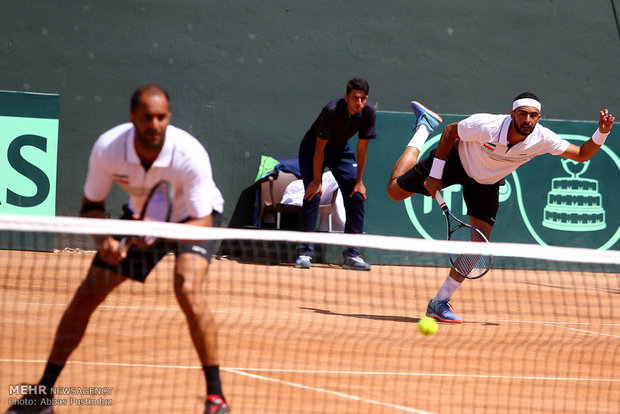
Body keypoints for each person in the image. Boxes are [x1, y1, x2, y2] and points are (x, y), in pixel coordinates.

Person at [6, 85, 230, 414]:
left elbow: (204, 222)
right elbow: (92, 204)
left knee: (187, 288)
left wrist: (156, 232)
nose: (154, 124)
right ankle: (42, 394)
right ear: (132, 118)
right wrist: (105, 241)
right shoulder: (109, 148)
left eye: (161, 117)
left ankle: (216, 398)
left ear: (168, 117)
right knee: (88, 293)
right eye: (147, 117)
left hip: (192, 217)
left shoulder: (189, 154)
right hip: (142, 217)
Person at [387, 93, 615, 323]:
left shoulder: (543, 138)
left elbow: (581, 154)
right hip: (456, 162)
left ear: (538, 118)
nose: (527, 119)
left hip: (486, 183)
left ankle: (439, 301)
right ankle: (424, 127)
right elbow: (450, 132)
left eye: (533, 115)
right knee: (395, 192)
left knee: (480, 242)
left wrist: (602, 132)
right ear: (512, 114)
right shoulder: (487, 125)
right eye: (522, 113)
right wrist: (436, 174)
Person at [295, 77, 376, 270]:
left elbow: (362, 147)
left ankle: (352, 255)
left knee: (356, 196)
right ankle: (304, 253)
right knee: (313, 194)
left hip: (340, 151)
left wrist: (359, 181)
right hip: (313, 149)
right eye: (355, 98)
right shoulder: (331, 111)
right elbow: (319, 148)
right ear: (346, 97)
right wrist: (316, 180)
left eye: (363, 98)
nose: (359, 103)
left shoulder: (368, 112)